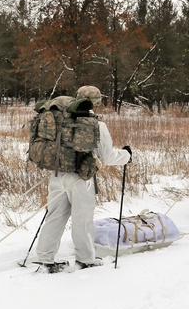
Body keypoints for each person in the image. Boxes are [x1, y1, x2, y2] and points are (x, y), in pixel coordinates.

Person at [33, 85, 131, 273]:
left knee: (54, 216)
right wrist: (126, 155)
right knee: (82, 219)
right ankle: (86, 260)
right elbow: (107, 157)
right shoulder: (96, 124)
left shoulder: (59, 120)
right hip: (81, 179)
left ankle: (45, 259)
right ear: (97, 102)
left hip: (57, 174)